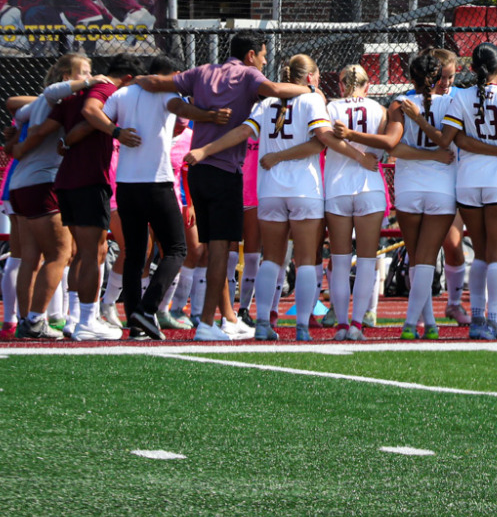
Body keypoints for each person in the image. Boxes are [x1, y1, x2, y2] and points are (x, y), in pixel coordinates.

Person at [129, 33, 308, 338]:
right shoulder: (250, 75)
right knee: (221, 251)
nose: (265, 61)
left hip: (197, 172)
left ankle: (221, 319)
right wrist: (309, 88)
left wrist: (125, 82)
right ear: (251, 55)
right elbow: (277, 90)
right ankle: (208, 323)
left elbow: (157, 83)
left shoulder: (201, 71)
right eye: (263, 56)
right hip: (225, 171)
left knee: (214, 249)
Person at [102, 54, 209, 340]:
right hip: (157, 182)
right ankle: (148, 309)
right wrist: (209, 115)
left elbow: (98, 113)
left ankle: (136, 322)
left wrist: (116, 131)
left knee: (135, 254)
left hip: (125, 184)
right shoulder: (166, 92)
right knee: (176, 249)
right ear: (171, 74)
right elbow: (181, 112)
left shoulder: (123, 93)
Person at [427, 42, 497, 340]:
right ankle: (493, 320)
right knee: (495, 254)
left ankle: (477, 319)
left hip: (469, 181)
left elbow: (457, 140)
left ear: (471, 68)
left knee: (482, 254)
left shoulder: (462, 97)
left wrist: (494, 151)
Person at [2, 53, 90, 340]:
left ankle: (27, 319)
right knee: (61, 253)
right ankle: (37, 320)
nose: (90, 77)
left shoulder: (43, 103)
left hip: (22, 184)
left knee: (30, 257)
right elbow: (49, 93)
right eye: (84, 73)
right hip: (42, 183)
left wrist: (16, 139)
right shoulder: (54, 97)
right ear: (67, 78)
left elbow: (18, 113)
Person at [54, 54, 136, 340]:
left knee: (84, 253)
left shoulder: (70, 96)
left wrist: (65, 141)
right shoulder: (106, 91)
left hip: (69, 179)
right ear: (128, 80)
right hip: (89, 179)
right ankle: (88, 320)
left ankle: (75, 318)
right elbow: (91, 115)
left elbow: (65, 124)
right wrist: (117, 131)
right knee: (93, 253)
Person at [322, 62, 398, 341]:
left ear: (342, 85)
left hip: (338, 187)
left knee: (340, 260)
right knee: (367, 259)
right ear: (368, 86)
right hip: (370, 187)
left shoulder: (331, 108)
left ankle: (341, 324)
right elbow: (384, 146)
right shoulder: (378, 109)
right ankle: (357, 325)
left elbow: (324, 140)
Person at [389, 48, 460, 339]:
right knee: (426, 258)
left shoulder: (399, 103)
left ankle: (426, 323)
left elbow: (393, 148)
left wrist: (422, 155)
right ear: (437, 77)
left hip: (408, 188)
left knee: (418, 257)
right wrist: (434, 156)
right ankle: (413, 324)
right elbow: (448, 145)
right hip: (442, 188)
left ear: (411, 77)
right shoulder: (454, 102)